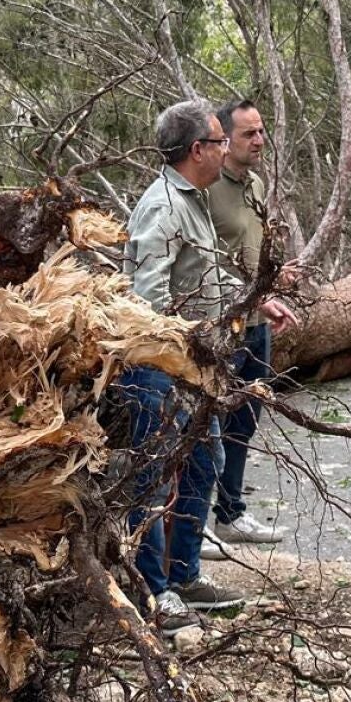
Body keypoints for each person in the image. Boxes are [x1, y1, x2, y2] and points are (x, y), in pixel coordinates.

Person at [119, 98, 289, 630]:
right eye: (219, 141)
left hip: (197, 366)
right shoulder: (163, 206)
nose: (224, 149)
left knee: (202, 461)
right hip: (161, 368)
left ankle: (185, 574)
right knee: (152, 473)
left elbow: (205, 279)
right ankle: (154, 589)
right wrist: (180, 359)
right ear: (198, 150)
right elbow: (148, 302)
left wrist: (251, 301)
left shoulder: (194, 200)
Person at [204, 99, 297, 552]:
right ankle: (191, 522)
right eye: (248, 134)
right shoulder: (204, 187)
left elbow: (250, 255)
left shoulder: (256, 184)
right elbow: (202, 263)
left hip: (257, 321)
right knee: (205, 425)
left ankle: (231, 513)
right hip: (218, 326)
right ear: (223, 139)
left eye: (261, 132)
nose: (259, 141)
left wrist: (275, 283)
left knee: (245, 418)